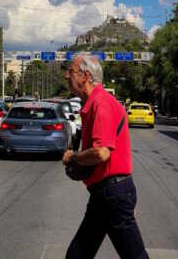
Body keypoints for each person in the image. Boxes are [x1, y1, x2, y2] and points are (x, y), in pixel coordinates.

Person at [62, 53, 148, 259]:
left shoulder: (102, 103)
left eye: (71, 71)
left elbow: (101, 152)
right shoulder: (94, 103)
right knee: (77, 255)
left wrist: (73, 157)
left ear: (85, 76)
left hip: (113, 194)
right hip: (106, 194)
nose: (67, 76)